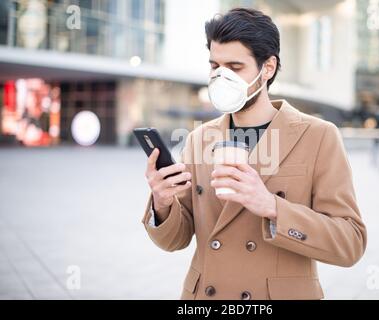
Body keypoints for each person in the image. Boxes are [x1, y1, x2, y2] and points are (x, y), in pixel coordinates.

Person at [141, 8, 367, 300]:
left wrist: (273, 207)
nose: (221, 77)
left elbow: (350, 243)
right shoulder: (198, 139)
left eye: (235, 67)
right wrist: (162, 203)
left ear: (268, 68)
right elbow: (175, 240)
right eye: (215, 66)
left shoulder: (319, 136)